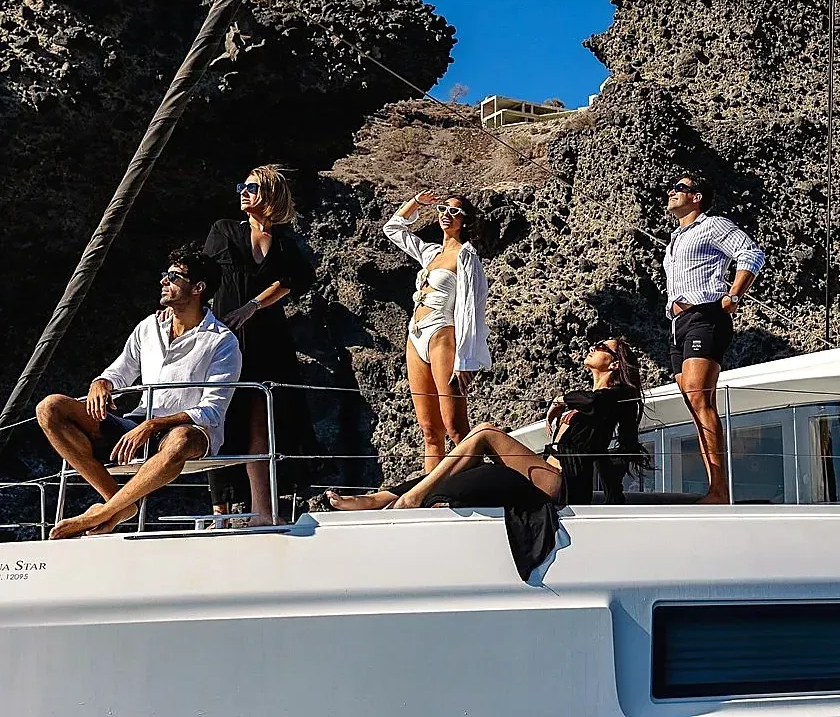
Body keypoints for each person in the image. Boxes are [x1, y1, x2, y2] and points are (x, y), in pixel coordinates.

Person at [37, 245, 240, 539]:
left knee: (182, 438)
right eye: (165, 274)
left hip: (188, 431)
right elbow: (120, 370)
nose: (163, 281)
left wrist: (153, 425)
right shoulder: (149, 327)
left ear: (198, 288)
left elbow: (212, 410)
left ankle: (106, 512)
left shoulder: (222, 341)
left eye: (174, 276)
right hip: (135, 423)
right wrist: (102, 383)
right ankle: (118, 505)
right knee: (50, 408)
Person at [324, 336, 648, 511]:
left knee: (485, 432)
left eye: (602, 347)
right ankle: (380, 498)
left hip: (562, 483)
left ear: (614, 363)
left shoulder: (615, 398)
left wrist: (562, 400)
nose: (593, 347)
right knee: (459, 464)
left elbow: (596, 403)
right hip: (547, 471)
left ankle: (410, 500)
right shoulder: (590, 400)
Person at [204, 166, 317, 526]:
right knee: (217, 418)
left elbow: (294, 281)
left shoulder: (283, 240)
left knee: (260, 423)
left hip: (267, 339)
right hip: (224, 338)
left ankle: (264, 511)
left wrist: (253, 305)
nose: (243, 192)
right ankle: (219, 512)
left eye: (251, 187)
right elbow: (204, 276)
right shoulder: (224, 230)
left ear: (269, 193)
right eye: (242, 185)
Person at [662, 173, 765, 504]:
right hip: (678, 324)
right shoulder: (676, 239)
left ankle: (720, 490)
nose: (671, 192)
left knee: (700, 397)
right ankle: (714, 486)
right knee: (693, 404)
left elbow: (750, 253)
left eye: (679, 188)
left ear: (696, 196)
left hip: (705, 316)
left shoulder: (712, 225)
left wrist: (735, 294)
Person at [384, 190, 490, 470]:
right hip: (415, 334)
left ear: (464, 221)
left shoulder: (467, 257)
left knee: (454, 425)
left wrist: (466, 361)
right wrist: (416, 203)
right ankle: (432, 496)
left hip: (443, 334)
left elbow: (470, 308)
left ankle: (475, 485)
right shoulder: (431, 253)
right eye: (443, 209)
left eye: (454, 211)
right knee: (429, 429)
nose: (446, 214)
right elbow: (392, 228)